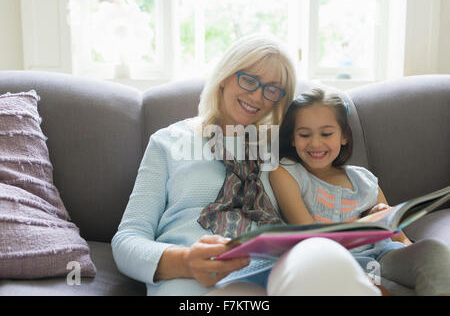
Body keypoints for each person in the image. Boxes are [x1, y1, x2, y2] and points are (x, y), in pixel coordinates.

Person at [111, 35, 382, 296]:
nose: (258, 96)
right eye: (249, 79)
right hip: (194, 275)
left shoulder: (283, 147)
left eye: (272, 89)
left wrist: (373, 216)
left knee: (324, 255)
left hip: (277, 267)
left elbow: (331, 192)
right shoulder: (168, 142)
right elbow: (128, 239)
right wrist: (184, 261)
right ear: (225, 76)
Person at [269, 88, 450, 295]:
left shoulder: (364, 179)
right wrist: (365, 224)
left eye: (326, 133)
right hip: (342, 264)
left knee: (433, 251)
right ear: (292, 138)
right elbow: (308, 235)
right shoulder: (288, 173)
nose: (315, 143)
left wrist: (387, 221)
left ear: (344, 136)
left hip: (385, 257)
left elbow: (398, 238)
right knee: (378, 289)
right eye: (304, 134)